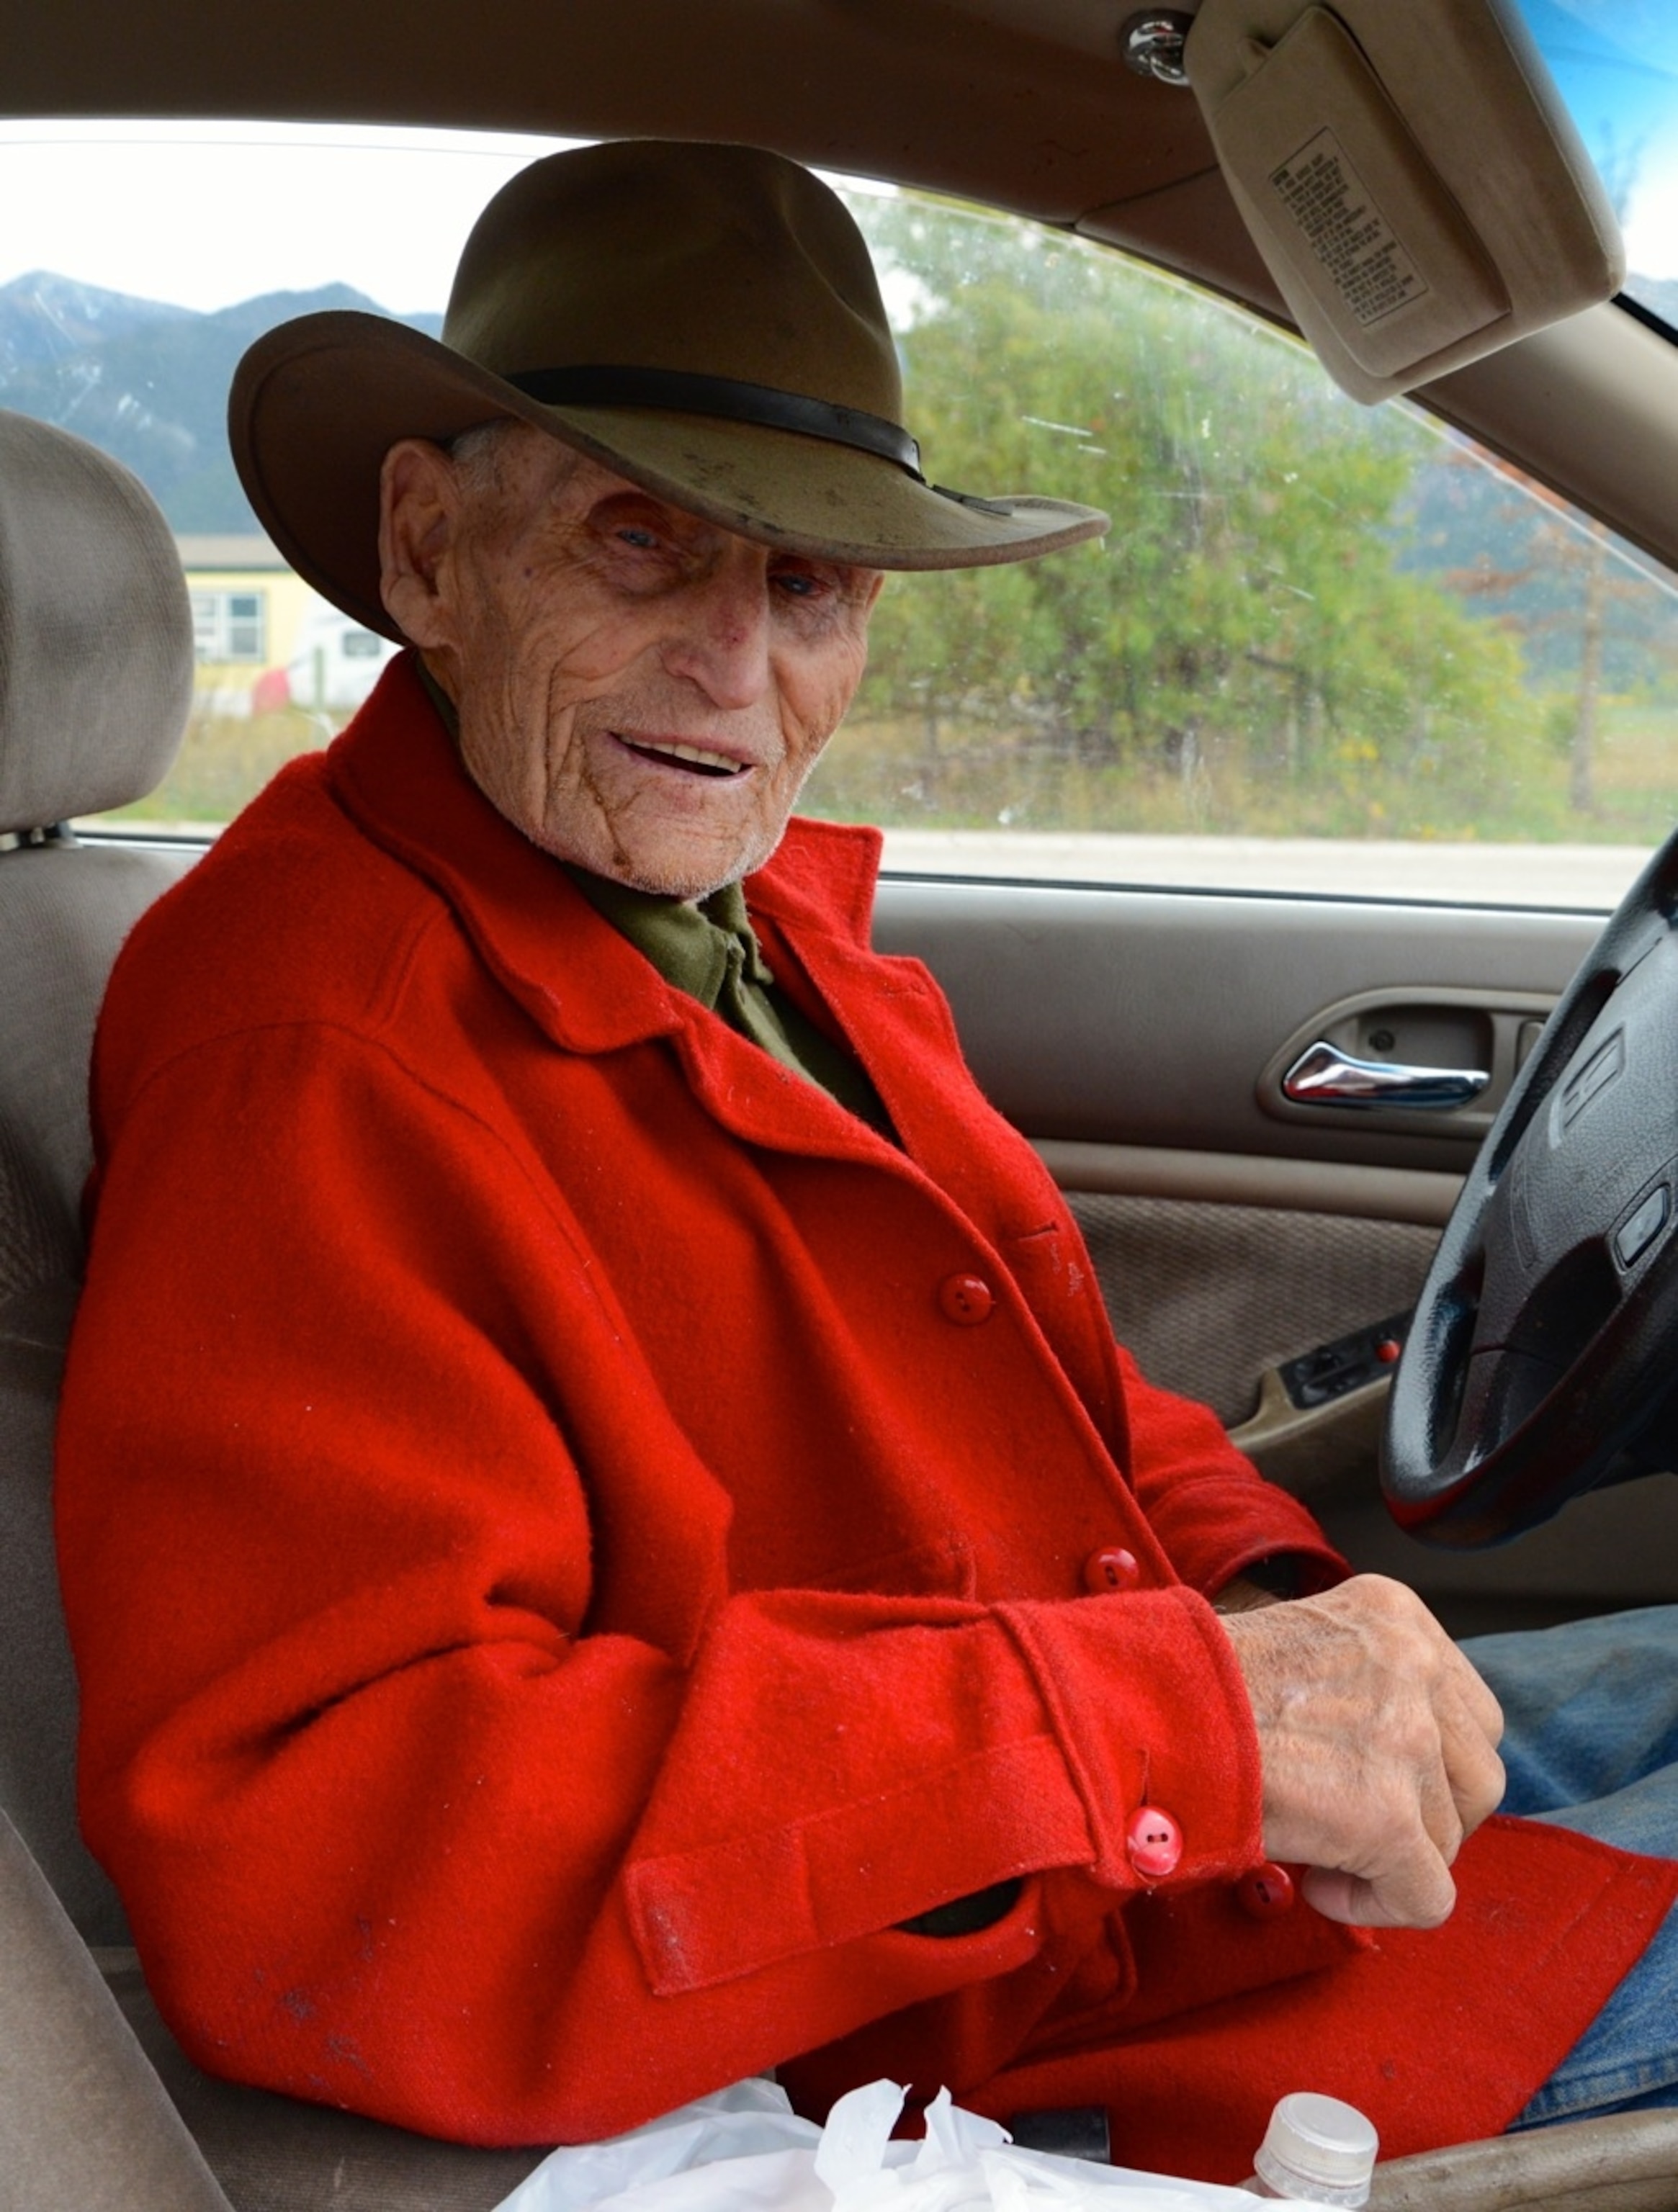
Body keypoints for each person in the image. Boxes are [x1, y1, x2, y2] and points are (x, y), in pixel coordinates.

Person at [52, 140, 1678, 2182]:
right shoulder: (316, 1046)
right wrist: (1166, 1724)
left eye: (806, 582)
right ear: (427, 552)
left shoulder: (736, 919)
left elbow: (1070, 1405)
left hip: (1152, 1841)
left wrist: (1278, 1614)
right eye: (641, 544)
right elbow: (333, 1855)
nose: (739, 674)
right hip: (1000, 2000)